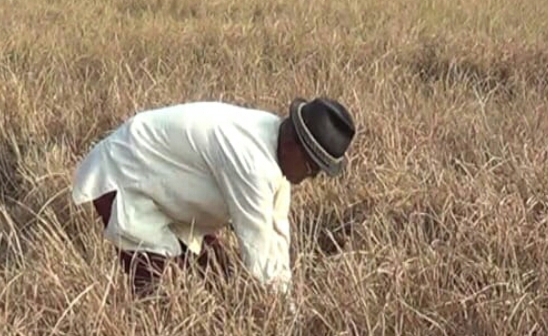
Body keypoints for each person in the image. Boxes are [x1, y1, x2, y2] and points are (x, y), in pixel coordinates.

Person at [72, 96, 356, 300]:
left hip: (171, 190)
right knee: (151, 292)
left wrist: (287, 300)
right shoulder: (251, 162)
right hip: (128, 174)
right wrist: (282, 319)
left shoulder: (277, 146)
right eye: (312, 167)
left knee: (220, 278)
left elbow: (277, 232)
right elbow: (257, 248)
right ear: (294, 145)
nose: (313, 177)